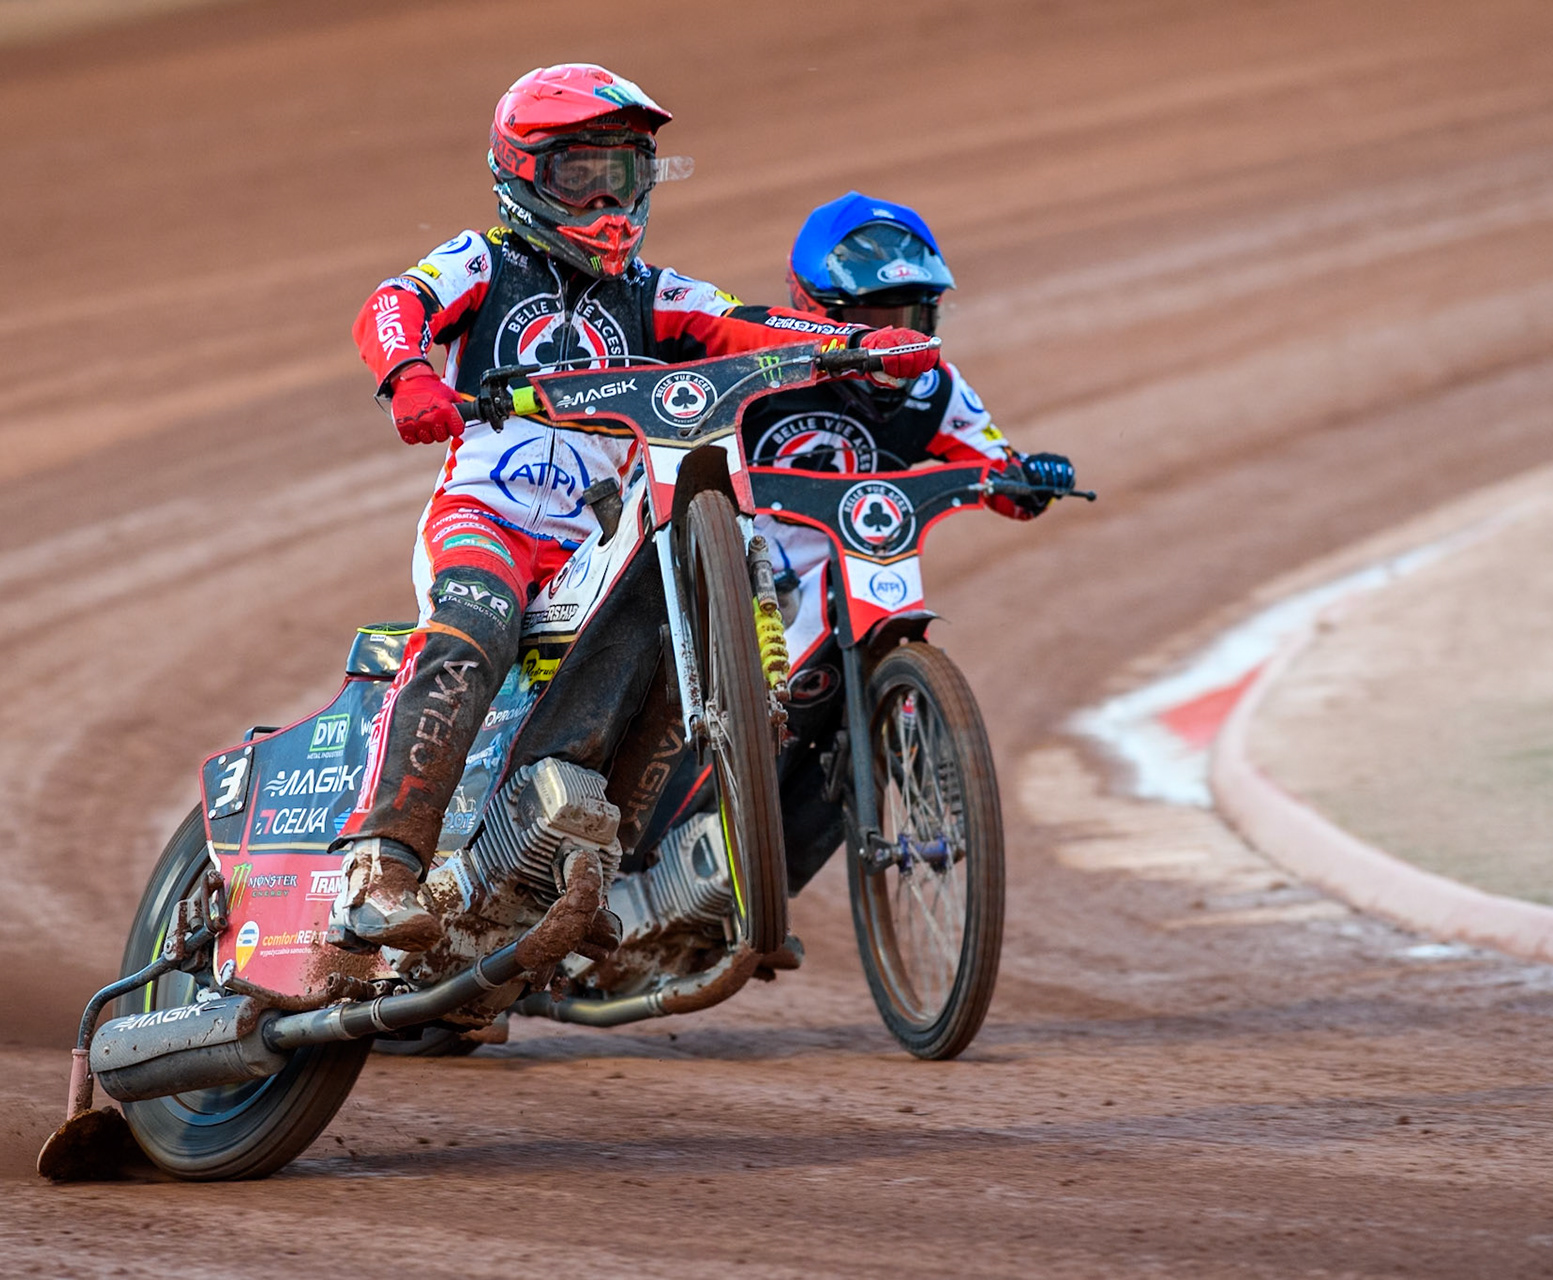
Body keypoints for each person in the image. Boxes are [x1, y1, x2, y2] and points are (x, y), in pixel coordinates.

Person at [329, 66, 943, 952]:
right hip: (487, 517)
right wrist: (409, 374)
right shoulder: (481, 259)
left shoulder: (656, 291)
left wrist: (858, 344)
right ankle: (379, 865)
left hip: (594, 536)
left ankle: (580, 868)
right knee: (474, 624)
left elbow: (752, 323)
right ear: (524, 173)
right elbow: (395, 304)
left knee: (675, 647)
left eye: (628, 174)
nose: (608, 200)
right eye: (583, 175)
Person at [742, 191, 1075, 893]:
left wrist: (1026, 481)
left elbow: (996, 465)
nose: (893, 342)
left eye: (910, 318)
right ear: (813, 311)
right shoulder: (756, 369)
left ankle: (919, 755)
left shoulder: (937, 389)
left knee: (839, 680)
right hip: (742, 579)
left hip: (859, 576)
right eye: (869, 321)